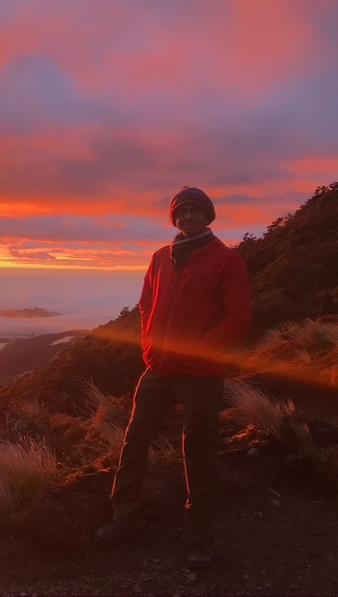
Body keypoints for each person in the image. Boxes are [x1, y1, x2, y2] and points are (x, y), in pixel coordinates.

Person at [95, 186, 252, 570]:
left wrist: (199, 347)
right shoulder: (160, 258)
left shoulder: (226, 260)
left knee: (198, 450)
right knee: (134, 440)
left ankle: (202, 538)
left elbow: (238, 318)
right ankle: (125, 518)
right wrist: (149, 344)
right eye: (181, 213)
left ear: (208, 216)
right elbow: (147, 304)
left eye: (196, 211)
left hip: (200, 372)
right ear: (174, 219)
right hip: (158, 368)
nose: (188, 217)